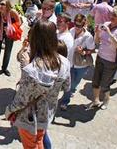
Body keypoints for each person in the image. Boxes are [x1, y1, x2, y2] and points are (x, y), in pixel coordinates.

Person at [5, 20, 70, 149]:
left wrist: (8, 111)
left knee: (30, 146)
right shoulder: (64, 62)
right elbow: (66, 87)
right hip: (47, 113)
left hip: (29, 117)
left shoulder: (31, 70)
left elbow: (21, 100)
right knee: (39, 140)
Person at [89, 7, 117, 110]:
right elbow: (97, 42)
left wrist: (110, 33)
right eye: (112, 14)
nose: (112, 17)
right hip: (100, 57)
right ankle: (96, 100)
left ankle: (106, 99)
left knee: (105, 84)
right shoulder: (106, 24)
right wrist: (97, 33)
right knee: (95, 81)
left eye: (115, 15)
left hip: (111, 61)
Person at [60, 14, 95, 110]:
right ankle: (65, 101)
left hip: (81, 65)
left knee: (75, 83)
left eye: (79, 26)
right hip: (70, 63)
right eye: (75, 24)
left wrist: (83, 52)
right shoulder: (71, 31)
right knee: (69, 84)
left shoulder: (88, 36)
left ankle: (72, 91)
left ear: (84, 25)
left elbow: (92, 50)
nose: (76, 27)